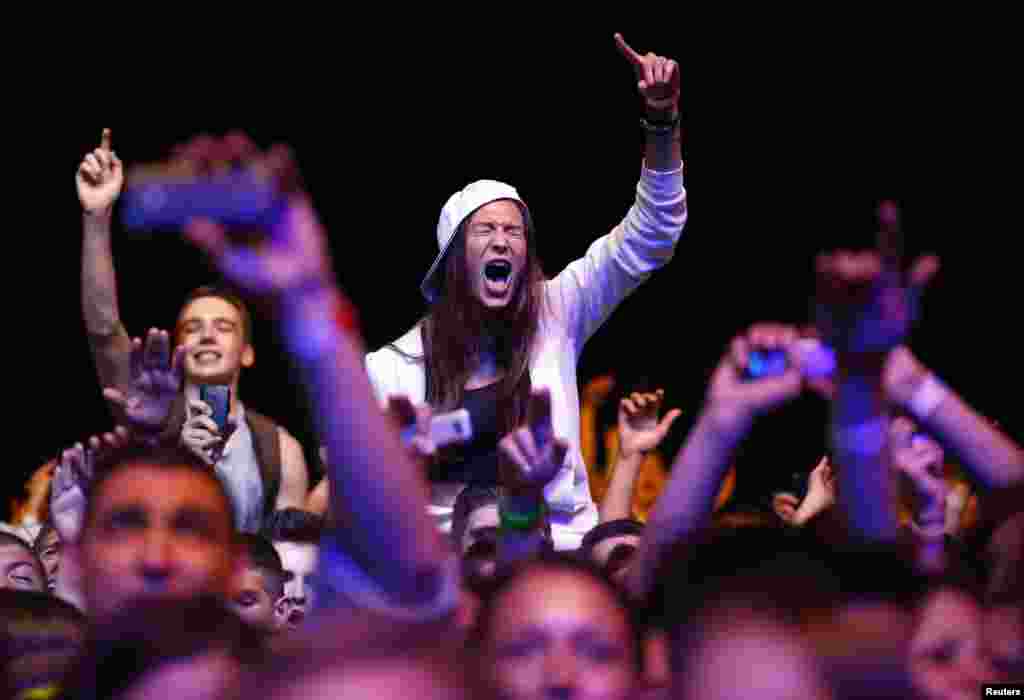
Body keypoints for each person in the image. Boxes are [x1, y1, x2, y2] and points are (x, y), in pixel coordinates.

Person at [362, 33, 687, 549]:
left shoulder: (556, 310)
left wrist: (662, 122)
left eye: (514, 231)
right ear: (452, 262)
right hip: (450, 561)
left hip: (561, 548)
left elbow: (652, 234)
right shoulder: (391, 370)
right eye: (485, 230)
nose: (502, 241)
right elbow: (363, 492)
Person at [76, 129, 309, 532]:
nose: (207, 336)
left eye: (223, 327)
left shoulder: (279, 449)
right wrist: (96, 218)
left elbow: (288, 554)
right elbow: (103, 326)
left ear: (248, 352)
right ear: (177, 347)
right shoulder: (147, 412)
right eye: (193, 327)